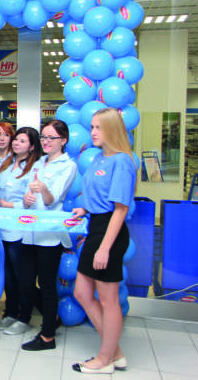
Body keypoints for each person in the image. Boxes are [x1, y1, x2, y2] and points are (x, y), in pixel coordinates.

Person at [70, 108, 135, 374]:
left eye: (99, 127)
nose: (93, 132)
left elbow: (120, 209)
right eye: (92, 127)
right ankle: (114, 353)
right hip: (95, 226)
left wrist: (105, 248)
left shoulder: (122, 161)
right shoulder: (99, 157)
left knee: (108, 300)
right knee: (82, 293)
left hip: (110, 232)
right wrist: (85, 208)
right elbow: (98, 193)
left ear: (112, 129)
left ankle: (105, 359)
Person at [19, 119, 77, 351]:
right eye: (43, 137)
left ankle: (47, 336)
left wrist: (43, 189)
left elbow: (53, 200)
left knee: (46, 285)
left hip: (50, 236)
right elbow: (26, 196)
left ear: (63, 140)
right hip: (30, 232)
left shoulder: (68, 166)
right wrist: (26, 199)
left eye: (51, 137)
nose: (46, 141)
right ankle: (52, 317)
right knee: (25, 282)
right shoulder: (38, 163)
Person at [0, 126, 42, 335]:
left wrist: (8, 205)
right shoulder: (5, 163)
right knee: (8, 276)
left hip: (19, 228)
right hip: (0, 227)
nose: (16, 143)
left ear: (31, 147)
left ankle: (24, 317)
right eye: (16, 140)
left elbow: (32, 201)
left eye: (22, 141)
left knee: (22, 277)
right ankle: (10, 313)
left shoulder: (35, 168)